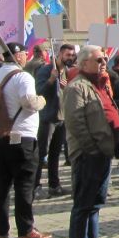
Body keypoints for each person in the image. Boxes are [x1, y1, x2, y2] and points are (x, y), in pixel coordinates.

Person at [0, 43, 51, 238]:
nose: (26, 56)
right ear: (18, 55)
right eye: (24, 53)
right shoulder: (23, 77)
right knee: (24, 184)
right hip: (22, 136)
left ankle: (1, 231)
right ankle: (26, 228)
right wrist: (42, 100)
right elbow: (28, 102)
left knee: (1, 186)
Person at [63, 46, 119, 238]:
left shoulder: (99, 84)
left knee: (95, 202)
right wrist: (91, 148)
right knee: (83, 203)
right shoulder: (77, 87)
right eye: (98, 59)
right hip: (88, 153)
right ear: (84, 63)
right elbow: (76, 122)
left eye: (105, 59)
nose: (103, 62)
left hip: (103, 151)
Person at [34, 43, 76, 198]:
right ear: (59, 54)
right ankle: (35, 186)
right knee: (41, 153)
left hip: (62, 117)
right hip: (48, 117)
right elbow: (39, 93)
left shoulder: (68, 71)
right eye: (67, 55)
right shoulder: (45, 70)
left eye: (72, 55)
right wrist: (51, 80)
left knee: (55, 154)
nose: (70, 58)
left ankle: (54, 185)